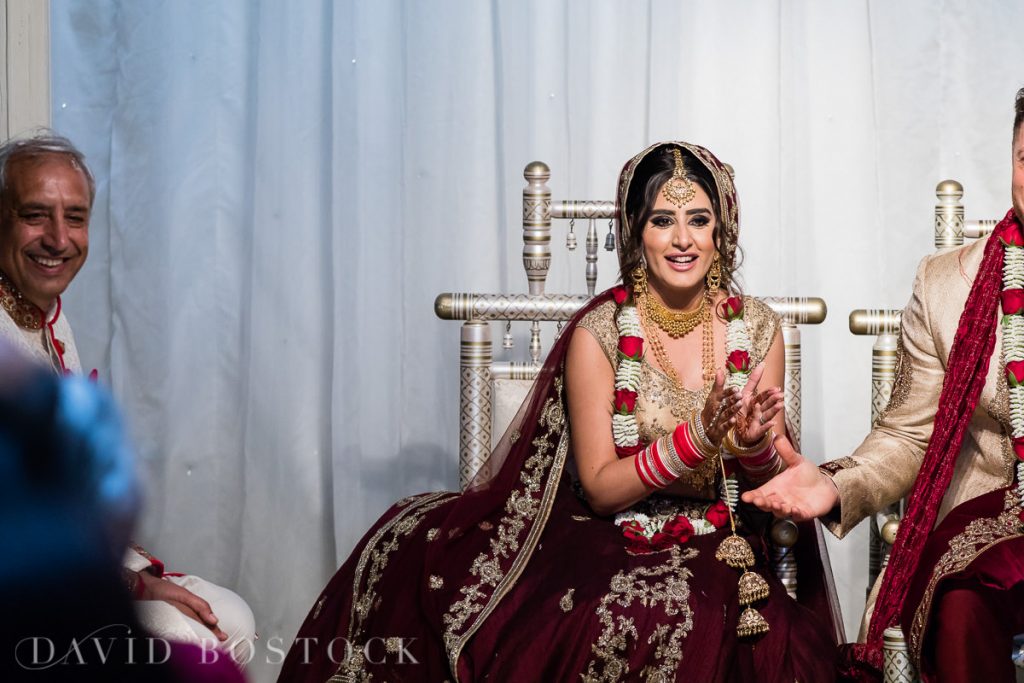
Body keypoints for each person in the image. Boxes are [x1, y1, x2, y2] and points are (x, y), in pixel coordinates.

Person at [279, 141, 841, 682]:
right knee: (603, 617)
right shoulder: (598, 334)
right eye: (660, 220)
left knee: (717, 624)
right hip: (608, 532)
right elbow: (598, 487)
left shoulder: (758, 329)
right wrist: (695, 437)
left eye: (697, 219)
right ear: (634, 233)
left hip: (723, 537)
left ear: (722, 233)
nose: (681, 239)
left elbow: (775, 483)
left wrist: (751, 447)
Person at [743, 88, 1024, 683]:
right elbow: (909, 433)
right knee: (961, 610)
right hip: (996, 524)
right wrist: (836, 485)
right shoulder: (949, 285)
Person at [0, 130, 256, 667]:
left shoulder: (46, 317)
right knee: (183, 639)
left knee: (229, 616)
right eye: (34, 214)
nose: (58, 238)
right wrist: (130, 586)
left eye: (75, 217)